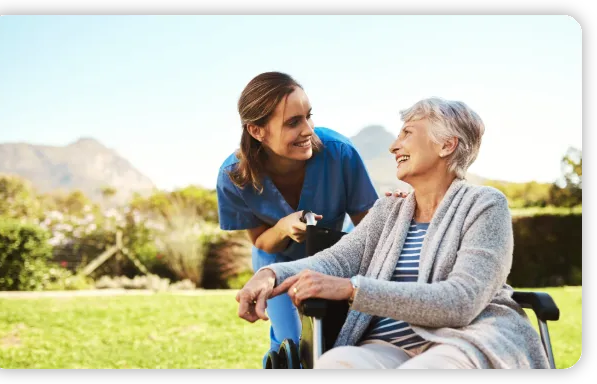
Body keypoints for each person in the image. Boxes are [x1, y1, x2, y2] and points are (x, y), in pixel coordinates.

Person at [235, 97, 552, 369]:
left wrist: (352, 290)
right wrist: (270, 274)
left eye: (407, 133)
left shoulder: (483, 204)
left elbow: (462, 301)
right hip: (386, 347)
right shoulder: (389, 212)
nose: (393, 145)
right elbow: (332, 262)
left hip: (463, 341)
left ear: (446, 144)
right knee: (334, 363)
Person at [216, 71, 392, 364]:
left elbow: (370, 229)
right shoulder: (233, 177)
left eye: (309, 116)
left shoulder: (340, 153)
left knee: (339, 340)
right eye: (292, 122)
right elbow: (261, 240)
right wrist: (284, 227)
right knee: (294, 347)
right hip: (276, 262)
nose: (308, 129)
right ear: (257, 131)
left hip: (335, 254)